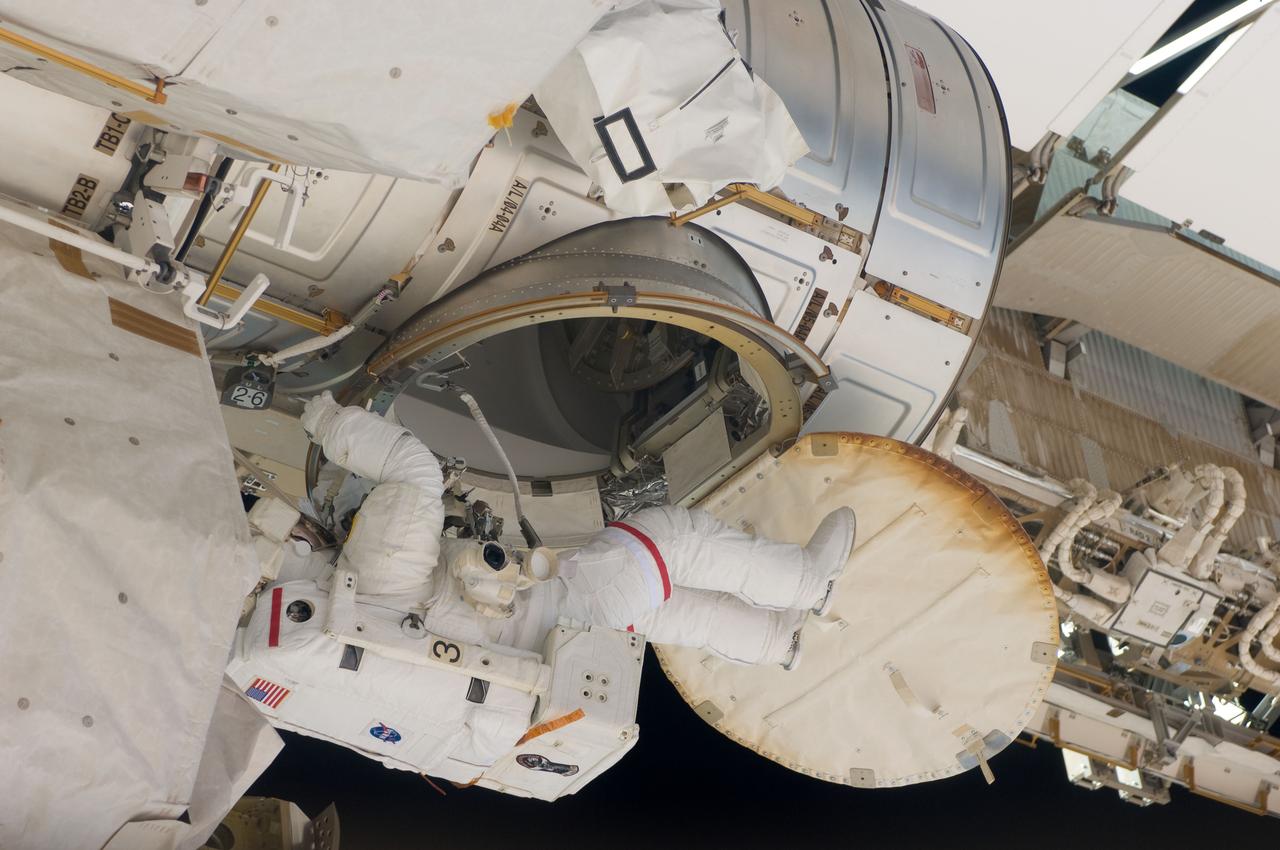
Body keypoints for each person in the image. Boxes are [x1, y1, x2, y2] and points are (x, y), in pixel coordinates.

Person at [299, 392, 855, 670]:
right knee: (671, 539)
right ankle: (809, 583)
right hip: (569, 603)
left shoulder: (358, 624)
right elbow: (412, 471)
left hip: (567, 642)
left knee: (675, 612)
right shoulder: (377, 576)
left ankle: (777, 643)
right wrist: (326, 419)